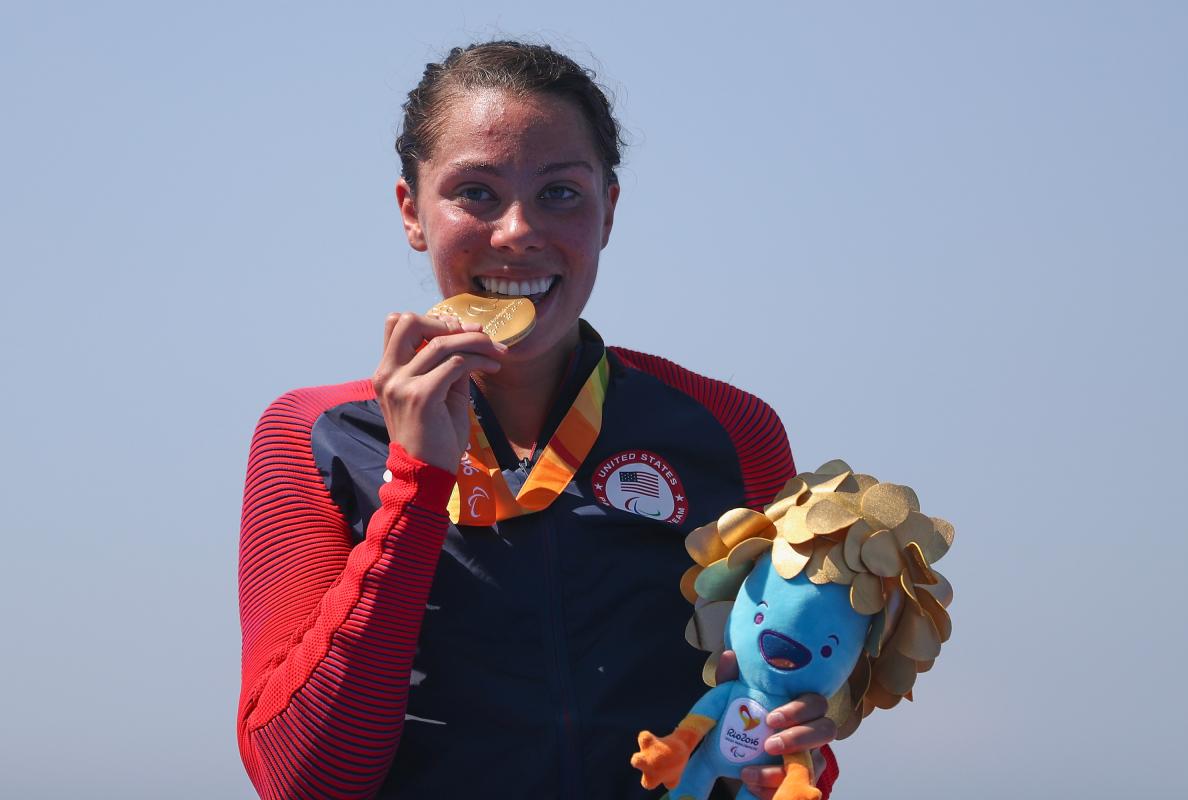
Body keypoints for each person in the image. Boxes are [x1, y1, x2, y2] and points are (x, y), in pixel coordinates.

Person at [237, 41, 839, 800]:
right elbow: (302, 779)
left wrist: (782, 754)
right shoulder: (315, 434)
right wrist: (415, 486)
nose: (517, 230)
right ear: (411, 213)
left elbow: (781, 736)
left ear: (609, 211)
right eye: (476, 193)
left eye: (560, 193)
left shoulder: (729, 429)